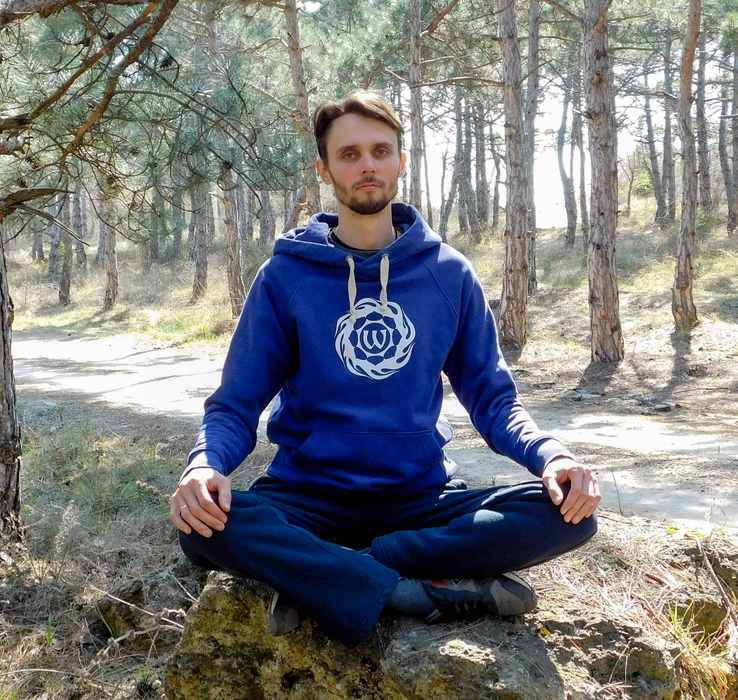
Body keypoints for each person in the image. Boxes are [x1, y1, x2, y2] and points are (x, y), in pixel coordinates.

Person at [170, 90, 600, 649]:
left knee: (569, 513)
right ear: (324, 170)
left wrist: (552, 455)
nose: (367, 165)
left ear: (401, 161)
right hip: (307, 496)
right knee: (203, 527)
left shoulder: (448, 274)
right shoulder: (285, 277)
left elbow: (494, 401)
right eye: (349, 154)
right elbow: (235, 404)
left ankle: (339, 572)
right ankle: (406, 589)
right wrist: (204, 465)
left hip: (419, 499)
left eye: (380, 151)